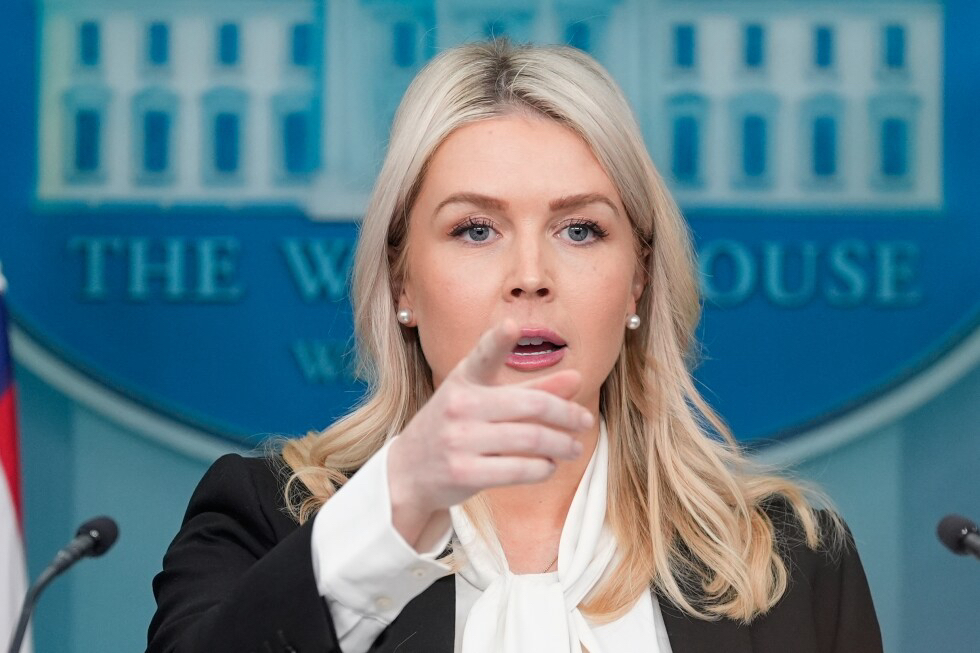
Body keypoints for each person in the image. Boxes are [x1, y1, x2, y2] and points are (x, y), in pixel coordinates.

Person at [147, 40, 882, 653]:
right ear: (402, 281)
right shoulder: (266, 521)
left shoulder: (790, 562)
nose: (530, 276)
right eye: (476, 229)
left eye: (580, 229)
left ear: (637, 281)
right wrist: (401, 503)